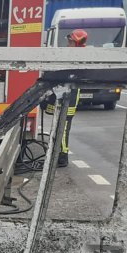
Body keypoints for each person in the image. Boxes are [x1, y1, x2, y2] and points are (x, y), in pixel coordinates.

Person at [46, 28, 88, 166]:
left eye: (70, 42)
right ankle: (57, 153)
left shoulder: (78, 57)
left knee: (63, 127)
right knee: (59, 125)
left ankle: (62, 156)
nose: (68, 44)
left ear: (76, 43)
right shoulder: (74, 55)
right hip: (64, 95)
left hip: (69, 97)